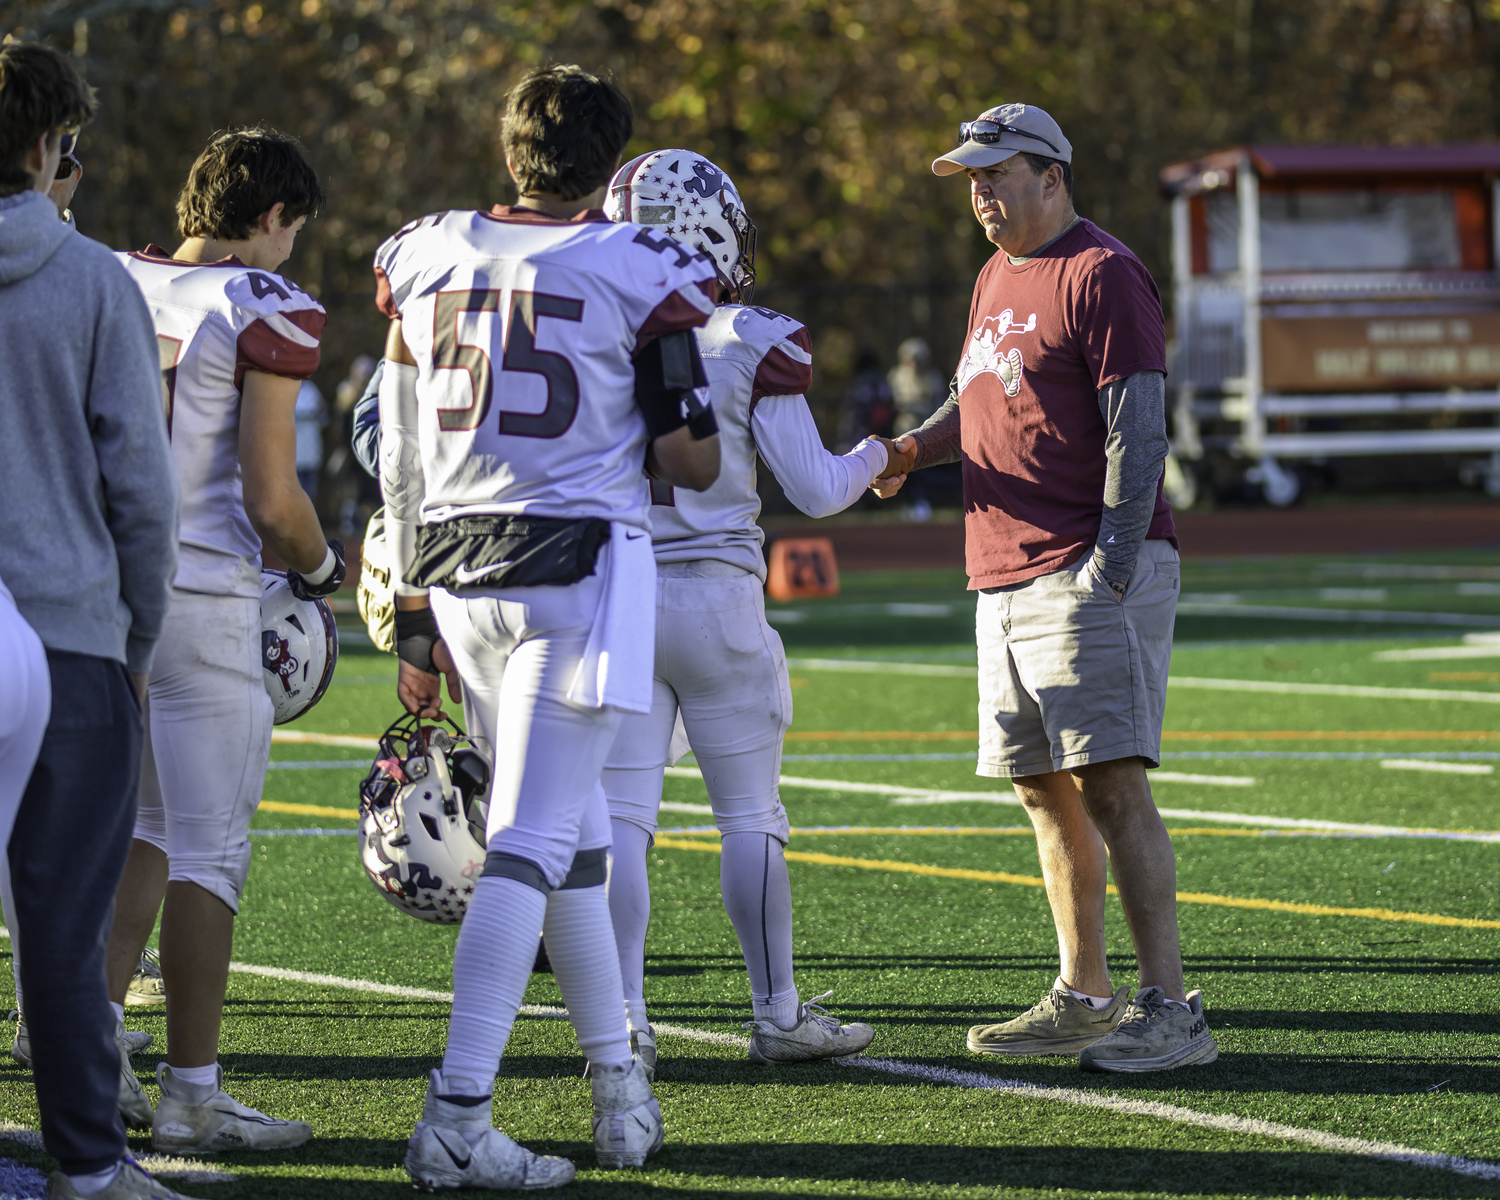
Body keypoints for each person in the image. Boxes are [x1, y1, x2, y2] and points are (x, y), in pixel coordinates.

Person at [375, 65, 720, 1190]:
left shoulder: (423, 248)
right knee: (528, 841)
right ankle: (457, 1114)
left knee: (574, 844)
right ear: (610, 165)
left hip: (459, 576)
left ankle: (619, 1091)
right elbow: (688, 455)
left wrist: (411, 596)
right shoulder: (642, 266)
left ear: (510, 146)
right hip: (574, 577)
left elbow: (398, 447)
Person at [878, 103, 1217, 1073]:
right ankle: (1085, 994)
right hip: (1005, 570)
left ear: (1053, 177)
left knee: (1111, 784)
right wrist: (908, 450)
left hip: (1083, 566)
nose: (980, 193)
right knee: (1042, 789)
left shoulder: (1102, 272)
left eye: (997, 174)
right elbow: (976, 400)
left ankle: (1170, 1010)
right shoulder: (995, 274)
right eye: (973, 179)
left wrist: (1108, 566)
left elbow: (1137, 429)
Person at [601, 147, 882, 1076]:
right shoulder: (743, 337)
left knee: (623, 820)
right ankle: (777, 1011)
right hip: (717, 596)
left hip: (622, 593)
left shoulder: (593, 322)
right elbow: (818, 489)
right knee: (751, 818)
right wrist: (887, 454)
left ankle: (628, 1025)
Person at [105, 127, 344, 1154]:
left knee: (141, 835)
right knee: (210, 853)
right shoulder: (263, 305)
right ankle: (191, 1090)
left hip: (100, 603)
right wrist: (326, 571)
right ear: (274, 217)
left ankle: (90, 1043)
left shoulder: (108, 276)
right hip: (203, 598)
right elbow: (271, 495)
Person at [0, 42, 196, 1200]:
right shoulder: (90, 283)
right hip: (65, 638)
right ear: (46, 146)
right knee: (63, 929)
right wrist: (135, 642)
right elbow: (142, 491)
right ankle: (85, 1161)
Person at [294, 377, 327, 501]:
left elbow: (324, 418)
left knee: (310, 496)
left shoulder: (311, 389)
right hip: (293, 458)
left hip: (311, 457)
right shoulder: (286, 389)